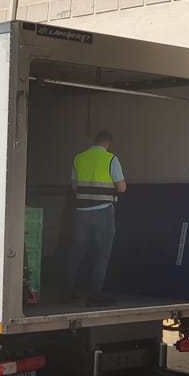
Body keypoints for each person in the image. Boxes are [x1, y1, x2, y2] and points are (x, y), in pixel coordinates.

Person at [66, 130, 126, 305]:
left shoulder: (79, 158)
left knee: (76, 252)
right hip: (103, 212)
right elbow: (121, 188)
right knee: (101, 254)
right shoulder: (111, 159)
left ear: (95, 141)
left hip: (81, 213)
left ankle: (67, 292)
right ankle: (95, 295)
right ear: (109, 143)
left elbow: (74, 186)